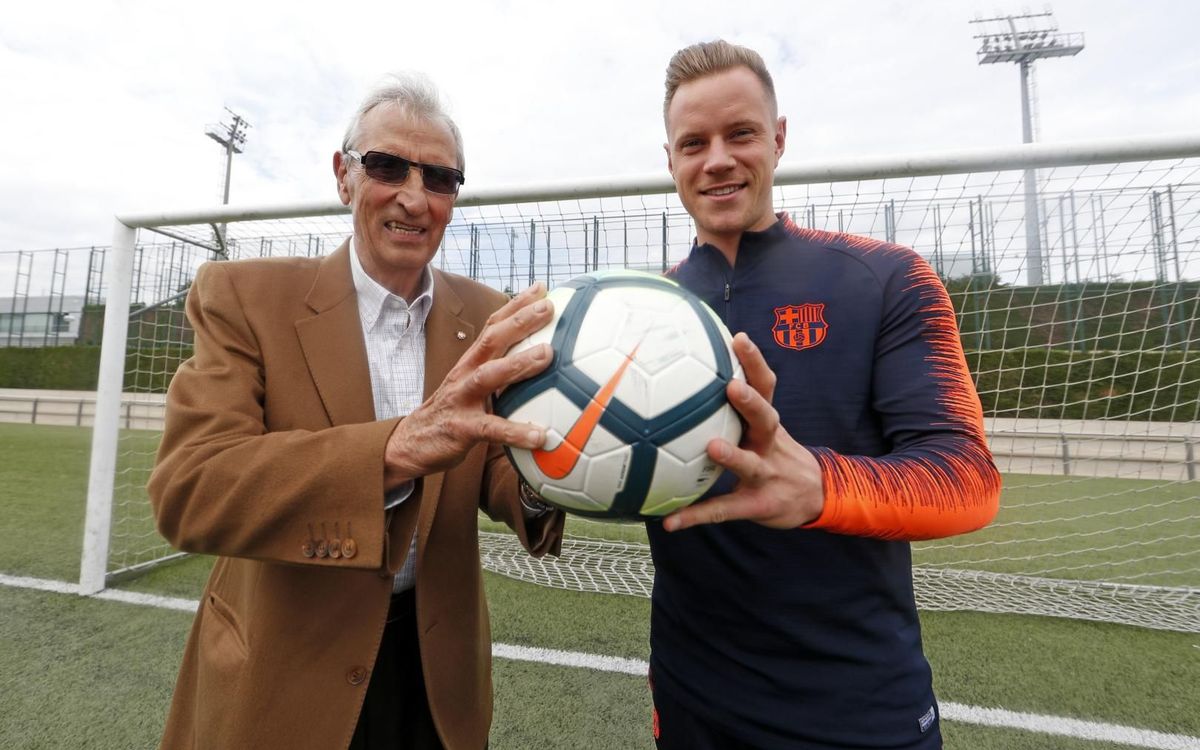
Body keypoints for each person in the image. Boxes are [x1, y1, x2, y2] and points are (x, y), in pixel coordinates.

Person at [147, 73, 563, 750]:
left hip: (435, 677)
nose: (413, 196)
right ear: (343, 176)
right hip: (284, 676)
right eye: (387, 167)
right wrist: (393, 451)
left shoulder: (488, 314)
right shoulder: (244, 297)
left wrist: (565, 467)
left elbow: (496, 463)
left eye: (439, 178)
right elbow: (190, 489)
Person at [646, 40, 1003, 749]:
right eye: (694, 142)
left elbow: (969, 480)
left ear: (778, 140)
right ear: (672, 160)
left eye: (740, 134)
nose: (716, 158)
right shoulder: (643, 316)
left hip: (859, 707)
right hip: (693, 706)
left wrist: (820, 488)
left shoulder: (887, 278)